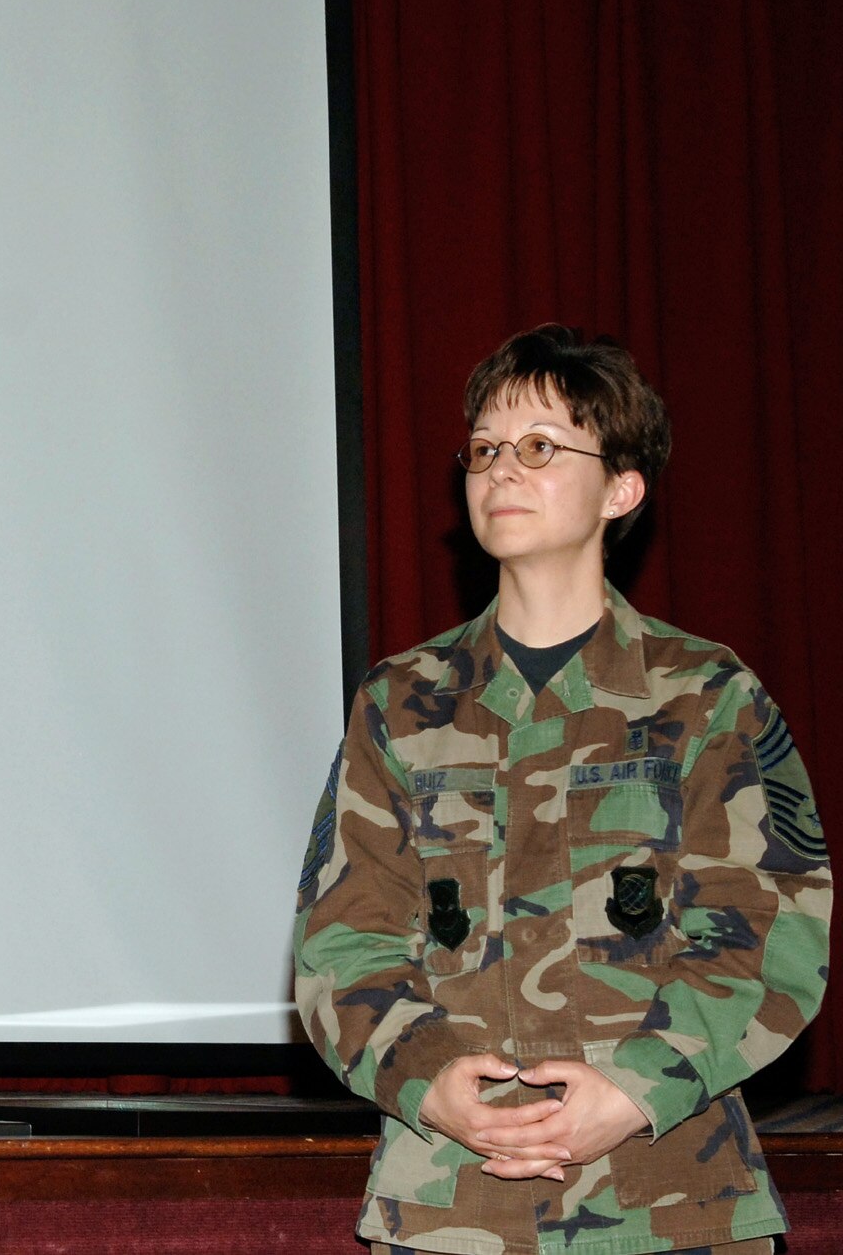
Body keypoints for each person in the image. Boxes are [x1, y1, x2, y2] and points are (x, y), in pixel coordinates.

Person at [294, 325, 831, 1255]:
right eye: (486, 449)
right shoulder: (402, 703)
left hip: (676, 1206)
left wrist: (635, 1088)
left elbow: (774, 925)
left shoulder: (707, 695)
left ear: (621, 487)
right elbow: (342, 940)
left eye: (540, 446)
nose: (502, 469)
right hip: (449, 1209)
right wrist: (428, 1081)